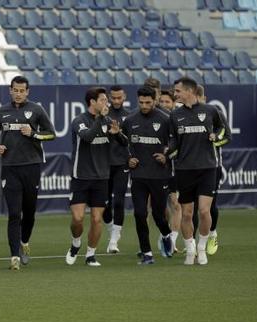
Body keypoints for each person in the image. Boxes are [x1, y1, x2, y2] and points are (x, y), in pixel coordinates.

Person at [0, 75, 56, 270]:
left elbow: (52, 134)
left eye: (22, 91)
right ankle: (14, 257)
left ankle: (24, 242)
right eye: (15, 90)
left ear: (27, 92)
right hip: (10, 168)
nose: (18, 94)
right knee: (13, 214)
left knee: (29, 212)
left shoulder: (36, 109)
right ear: (10, 90)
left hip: (32, 166)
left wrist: (33, 134)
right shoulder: (1, 111)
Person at [167, 77, 227, 266]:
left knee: (203, 211)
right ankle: (190, 248)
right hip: (184, 170)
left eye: (177, 91)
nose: (174, 94)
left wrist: (215, 137)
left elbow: (225, 133)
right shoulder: (175, 115)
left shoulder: (211, 111)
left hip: (208, 168)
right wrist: (168, 152)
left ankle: (202, 249)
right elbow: (174, 142)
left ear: (189, 91)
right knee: (186, 213)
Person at [65, 87, 123, 267]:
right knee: (78, 218)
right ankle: (76, 243)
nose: (107, 103)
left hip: (101, 178)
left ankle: (90, 254)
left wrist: (117, 133)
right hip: (81, 176)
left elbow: (124, 143)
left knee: (97, 219)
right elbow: (88, 137)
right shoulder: (79, 121)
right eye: (103, 100)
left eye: (106, 100)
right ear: (92, 102)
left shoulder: (108, 121)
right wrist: (99, 120)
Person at [122, 86, 175, 265]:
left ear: (155, 101)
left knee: (159, 216)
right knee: (139, 213)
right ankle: (147, 253)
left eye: (148, 102)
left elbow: (177, 142)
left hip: (160, 175)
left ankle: (166, 234)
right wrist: (128, 159)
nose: (144, 105)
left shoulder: (166, 119)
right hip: (138, 175)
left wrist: (166, 156)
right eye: (141, 102)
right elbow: (121, 144)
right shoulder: (129, 120)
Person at [193, 84, 230, 256]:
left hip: (212, 166)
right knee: (190, 206)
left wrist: (214, 140)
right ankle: (192, 242)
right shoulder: (187, 115)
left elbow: (227, 137)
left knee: (209, 206)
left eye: (200, 99)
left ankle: (212, 234)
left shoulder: (216, 113)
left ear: (204, 99)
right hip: (191, 166)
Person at [103, 85, 132, 254]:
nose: (116, 101)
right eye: (113, 98)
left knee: (119, 201)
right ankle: (110, 230)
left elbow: (129, 141)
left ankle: (114, 239)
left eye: (119, 98)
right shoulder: (103, 115)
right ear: (108, 97)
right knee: (104, 203)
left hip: (122, 163)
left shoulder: (129, 116)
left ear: (124, 96)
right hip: (104, 164)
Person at [156, 88, 182, 253]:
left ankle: (172, 240)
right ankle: (164, 235)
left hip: (174, 169)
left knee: (176, 204)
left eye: (168, 102)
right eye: (162, 101)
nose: (164, 104)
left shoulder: (178, 120)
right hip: (157, 170)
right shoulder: (155, 120)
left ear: (173, 104)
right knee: (158, 208)